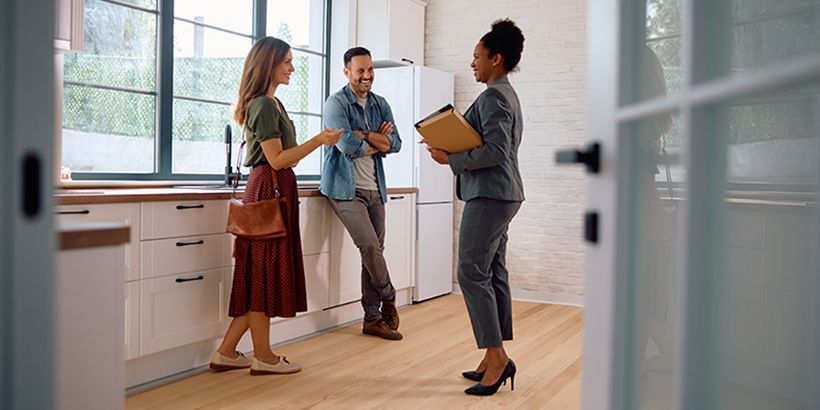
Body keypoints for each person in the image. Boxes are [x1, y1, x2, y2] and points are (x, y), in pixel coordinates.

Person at [210, 37, 342, 375]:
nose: (292, 68)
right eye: (286, 61)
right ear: (268, 64)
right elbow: (277, 159)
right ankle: (264, 357)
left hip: (270, 189)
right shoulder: (265, 105)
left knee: (258, 273)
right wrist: (320, 140)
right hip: (269, 190)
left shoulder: (270, 103)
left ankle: (226, 352)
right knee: (262, 275)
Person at [425, 19, 525, 395]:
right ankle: (493, 357)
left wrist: (450, 158)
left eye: (476, 57)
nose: (472, 64)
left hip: (491, 195)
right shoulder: (505, 94)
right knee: (492, 271)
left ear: (496, 58)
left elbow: (496, 151)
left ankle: (497, 359)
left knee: (470, 273)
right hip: (502, 194)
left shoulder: (494, 96)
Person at [320, 47, 403, 340]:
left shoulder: (380, 103)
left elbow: (396, 144)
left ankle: (372, 318)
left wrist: (365, 134)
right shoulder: (336, 103)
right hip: (344, 188)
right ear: (347, 72)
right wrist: (376, 141)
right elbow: (346, 147)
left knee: (373, 253)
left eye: (370, 70)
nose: (367, 76)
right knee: (369, 246)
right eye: (360, 71)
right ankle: (390, 296)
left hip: (375, 187)